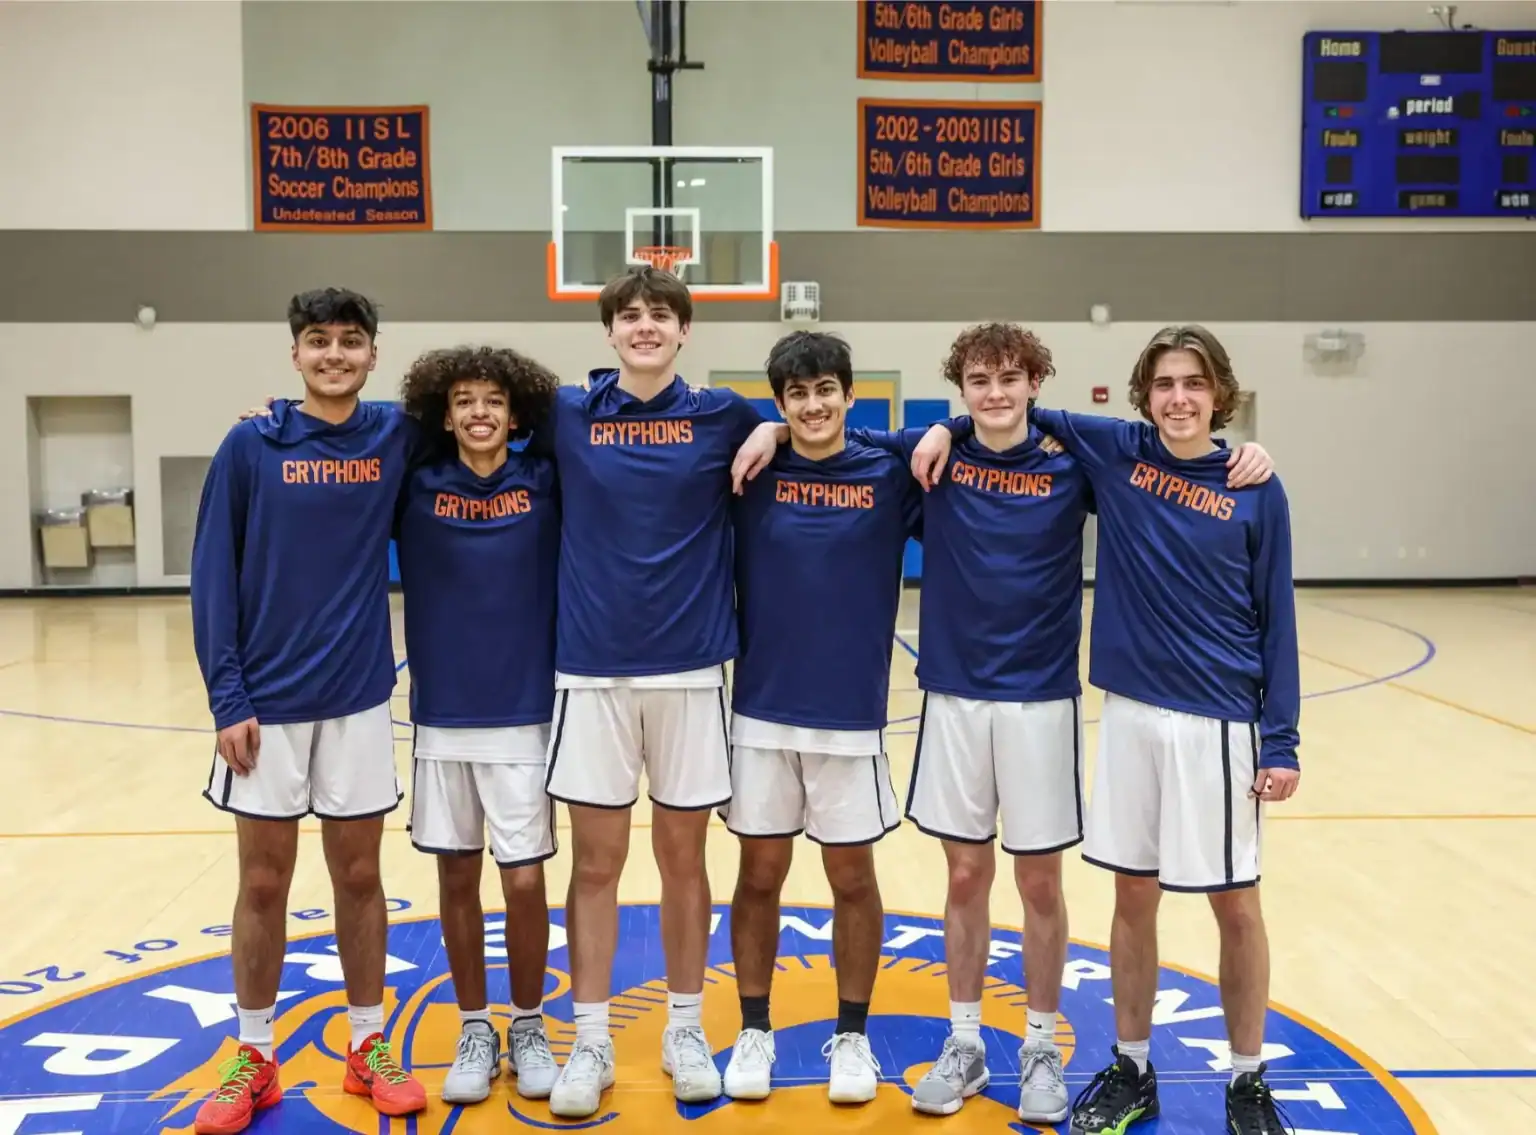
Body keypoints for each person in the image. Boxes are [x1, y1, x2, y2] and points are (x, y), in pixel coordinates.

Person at [913, 324, 1299, 1135]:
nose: (1180, 397)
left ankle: (1249, 1080)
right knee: (1132, 895)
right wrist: (944, 425)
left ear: (1220, 393)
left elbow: (1279, 618)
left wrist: (1282, 737)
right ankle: (1131, 1065)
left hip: (1220, 717)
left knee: (1235, 903)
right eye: (1164, 384)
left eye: (1194, 383)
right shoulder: (1116, 451)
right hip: (1126, 711)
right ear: (1144, 395)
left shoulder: (1253, 484)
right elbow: (1001, 414)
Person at [533, 266, 785, 1119]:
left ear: (684, 332)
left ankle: (685, 1026)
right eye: (629, 315)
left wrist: (779, 426)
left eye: (660, 315)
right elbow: (451, 413)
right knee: (595, 862)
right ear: (609, 333)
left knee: (685, 859)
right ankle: (591, 1037)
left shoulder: (723, 415)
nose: (644, 326)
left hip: (689, 671)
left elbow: (816, 427)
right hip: (592, 670)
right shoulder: (567, 412)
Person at [190, 287, 427, 1134]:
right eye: (319, 341)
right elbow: (213, 573)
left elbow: (507, 415)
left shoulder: (397, 434)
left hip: (359, 696)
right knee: (263, 882)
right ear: (295, 354)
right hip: (267, 704)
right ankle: (253, 1056)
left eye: (352, 341)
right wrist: (227, 695)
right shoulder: (252, 444)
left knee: (360, 878)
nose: (335, 354)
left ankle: (369, 1044)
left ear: (373, 356)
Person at [717, 331, 921, 1105]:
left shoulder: (890, 473)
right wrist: (761, 435)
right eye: (795, 395)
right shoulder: (751, 471)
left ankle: (853, 1036)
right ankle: (755, 1029)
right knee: (759, 875)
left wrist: (939, 426)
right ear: (779, 403)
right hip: (762, 709)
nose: (812, 405)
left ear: (849, 394)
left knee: (851, 877)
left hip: (851, 713)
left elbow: (964, 439)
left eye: (826, 389)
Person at [898, 323, 1091, 1123]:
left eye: (1012, 376)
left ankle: (1041, 1045)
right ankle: (967, 1040)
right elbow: (831, 433)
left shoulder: (1074, 464)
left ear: (1037, 382)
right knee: (966, 875)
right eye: (980, 379)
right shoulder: (933, 459)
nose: (997, 391)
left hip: (1040, 698)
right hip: (953, 694)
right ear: (961, 387)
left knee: (1039, 879)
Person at [392, 345, 563, 1105]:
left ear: (516, 412)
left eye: (493, 399)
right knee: (456, 875)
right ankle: (473, 1023)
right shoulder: (416, 483)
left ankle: (527, 1023)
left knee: (523, 879)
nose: (479, 412)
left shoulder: (547, 482)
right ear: (446, 413)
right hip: (443, 713)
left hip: (525, 712)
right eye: (463, 400)